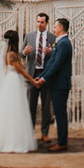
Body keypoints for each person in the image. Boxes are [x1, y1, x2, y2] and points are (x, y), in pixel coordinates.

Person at [36, 18, 73, 152]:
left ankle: (62, 142)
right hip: (56, 84)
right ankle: (60, 140)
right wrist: (41, 77)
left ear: (61, 28)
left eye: (55, 27)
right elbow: (51, 62)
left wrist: (44, 79)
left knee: (60, 114)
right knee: (58, 113)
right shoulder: (60, 42)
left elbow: (57, 64)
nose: (53, 29)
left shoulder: (64, 43)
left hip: (60, 85)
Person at [22, 12, 55, 142]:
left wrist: (51, 53)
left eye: (42, 22)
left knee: (46, 105)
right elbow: (21, 52)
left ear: (47, 23)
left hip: (46, 74)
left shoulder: (52, 37)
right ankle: (29, 133)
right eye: (38, 22)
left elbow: (57, 55)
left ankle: (45, 133)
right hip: (32, 74)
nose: (39, 24)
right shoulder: (29, 36)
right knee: (31, 105)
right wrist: (24, 52)